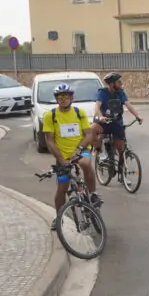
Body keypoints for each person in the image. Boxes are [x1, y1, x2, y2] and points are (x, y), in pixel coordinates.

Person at [42, 83, 100, 229]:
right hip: (63, 156)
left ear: (71, 98)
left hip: (81, 150)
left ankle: (92, 194)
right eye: (60, 97)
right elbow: (49, 141)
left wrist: (79, 149)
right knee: (62, 188)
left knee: (86, 164)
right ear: (57, 99)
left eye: (66, 96)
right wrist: (61, 159)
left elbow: (89, 134)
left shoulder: (79, 112)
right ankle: (59, 216)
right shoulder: (51, 115)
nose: (63, 99)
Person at [91, 72, 143, 177]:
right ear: (111, 84)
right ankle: (99, 152)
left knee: (121, 149)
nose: (121, 83)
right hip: (104, 121)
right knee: (92, 130)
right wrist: (101, 117)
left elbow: (128, 105)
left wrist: (138, 116)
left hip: (116, 123)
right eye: (118, 82)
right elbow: (97, 106)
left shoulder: (120, 93)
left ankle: (121, 172)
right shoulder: (103, 93)